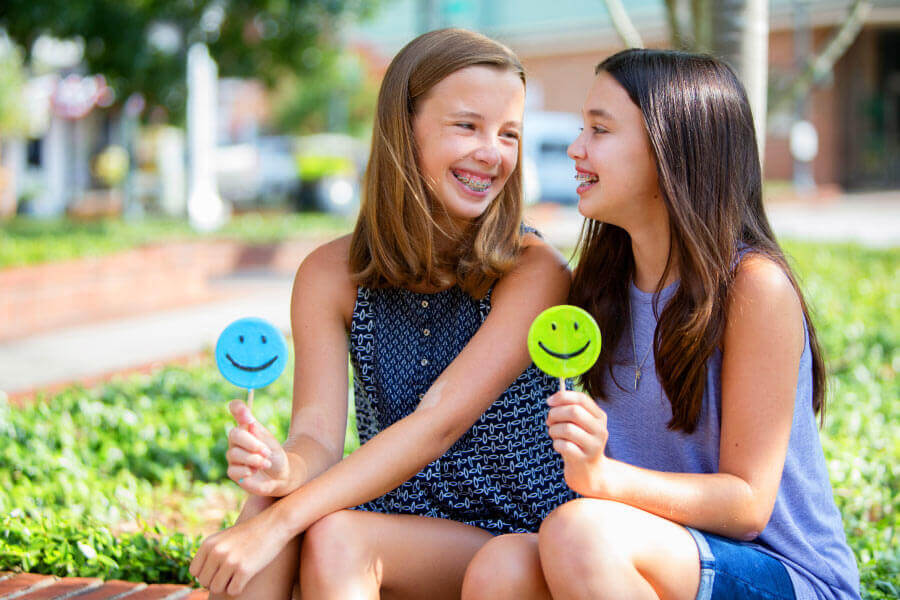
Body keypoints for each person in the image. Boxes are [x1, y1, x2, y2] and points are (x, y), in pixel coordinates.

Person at [461, 49, 860, 600]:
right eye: (583, 129)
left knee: (579, 530)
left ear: (674, 149)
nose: (576, 149)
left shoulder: (753, 287)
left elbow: (747, 505)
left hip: (783, 574)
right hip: (647, 555)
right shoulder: (597, 290)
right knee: (501, 564)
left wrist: (603, 478)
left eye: (600, 130)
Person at [189, 28, 573, 599]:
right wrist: (282, 468)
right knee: (274, 501)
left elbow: (436, 423)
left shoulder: (532, 268)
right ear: (403, 128)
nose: (493, 153)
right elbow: (317, 437)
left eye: (509, 134)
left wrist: (278, 523)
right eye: (467, 126)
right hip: (395, 525)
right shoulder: (329, 275)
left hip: (510, 532)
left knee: (320, 532)